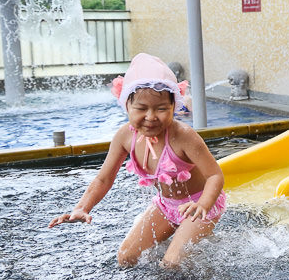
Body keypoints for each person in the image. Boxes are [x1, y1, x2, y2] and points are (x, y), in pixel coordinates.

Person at [49, 53, 226, 268]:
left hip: (198, 204)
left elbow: (215, 175)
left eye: (161, 109)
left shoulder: (183, 136)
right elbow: (104, 179)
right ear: (127, 106)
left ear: (174, 107)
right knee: (126, 258)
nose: (151, 116)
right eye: (141, 108)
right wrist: (82, 208)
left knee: (171, 264)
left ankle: (195, 240)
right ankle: (186, 238)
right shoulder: (125, 136)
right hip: (166, 205)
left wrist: (203, 205)